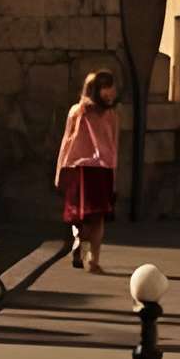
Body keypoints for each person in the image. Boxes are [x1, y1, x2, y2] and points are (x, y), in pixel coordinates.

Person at [54, 68, 119, 274]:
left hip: (81, 168)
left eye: (110, 86)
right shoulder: (107, 114)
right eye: (105, 87)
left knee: (80, 214)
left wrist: (61, 170)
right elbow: (112, 145)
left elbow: (67, 142)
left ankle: (79, 243)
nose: (110, 91)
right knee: (96, 217)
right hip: (95, 169)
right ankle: (93, 259)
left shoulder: (78, 111)